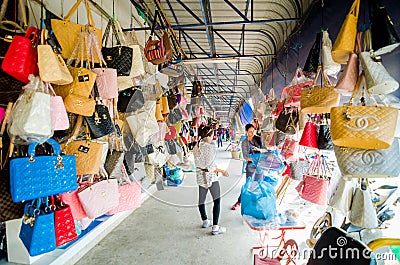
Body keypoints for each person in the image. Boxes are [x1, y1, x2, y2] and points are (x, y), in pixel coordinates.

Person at [193, 125, 229, 235]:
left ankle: (205, 221)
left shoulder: (196, 146)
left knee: (201, 200)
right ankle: (215, 227)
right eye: (212, 135)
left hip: (200, 175)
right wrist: (222, 171)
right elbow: (210, 167)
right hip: (211, 177)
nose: (213, 138)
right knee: (217, 201)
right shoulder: (210, 147)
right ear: (208, 136)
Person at [231, 123, 267, 210]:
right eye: (250, 131)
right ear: (246, 132)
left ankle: (257, 204)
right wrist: (256, 158)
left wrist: (259, 150)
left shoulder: (258, 139)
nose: (252, 133)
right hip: (250, 165)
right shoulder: (244, 142)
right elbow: (245, 156)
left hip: (260, 166)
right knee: (248, 184)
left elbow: (265, 150)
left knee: (259, 184)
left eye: (253, 131)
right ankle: (239, 201)